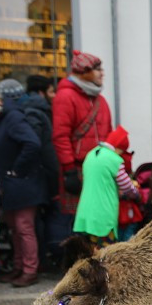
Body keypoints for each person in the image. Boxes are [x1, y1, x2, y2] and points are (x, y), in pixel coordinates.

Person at [0, 88, 46, 287]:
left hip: (22, 183)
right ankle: (19, 266)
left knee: (24, 228)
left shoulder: (11, 119)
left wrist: (17, 170)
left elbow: (32, 144)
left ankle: (30, 270)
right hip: (8, 184)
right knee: (14, 228)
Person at [52, 50, 113, 219]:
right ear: (84, 73)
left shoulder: (100, 100)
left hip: (100, 169)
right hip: (78, 169)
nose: (102, 73)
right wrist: (69, 170)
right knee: (80, 220)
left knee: (99, 218)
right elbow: (61, 136)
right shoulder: (65, 97)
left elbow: (109, 133)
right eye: (97, 69)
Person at [73, 125, 139, 247]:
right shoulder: (114, 160)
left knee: (90, 254)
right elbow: (127, 187)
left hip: (85, 214)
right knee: (105, 257)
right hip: (103, 216)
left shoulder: (91, 155)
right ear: (119, 148)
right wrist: (136, 194)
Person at [0, 78, 59, 203]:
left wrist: (17, 170)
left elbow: (36, 146)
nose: (54, 96)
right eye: (52, 92)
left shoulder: (25, 114)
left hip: (33, 179)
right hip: (39, 177)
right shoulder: (32, 111)